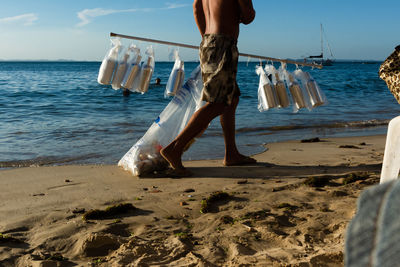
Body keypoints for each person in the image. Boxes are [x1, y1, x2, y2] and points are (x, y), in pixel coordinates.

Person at [160, 0, 256, 176]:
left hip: (208, 42)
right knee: (219, 103)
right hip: (223, 44)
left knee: (232, 98)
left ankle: (231, 154)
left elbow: (196, 8)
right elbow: (249, 17)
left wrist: (206, 36)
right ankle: (175, 148)